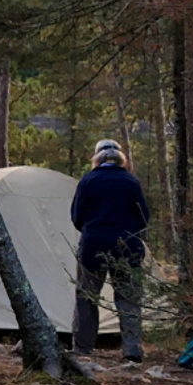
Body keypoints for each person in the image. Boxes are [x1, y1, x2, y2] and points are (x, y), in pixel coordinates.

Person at [70, 138, 149, 361]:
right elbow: (143, 217)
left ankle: (83, 348)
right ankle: (132, 349)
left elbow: (77, 217)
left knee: (87, 297)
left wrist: (94, 230)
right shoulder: (131, 182)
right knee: (128, 299)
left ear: (97, 157)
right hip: (128, 249)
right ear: (120, 158)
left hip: (93, 248)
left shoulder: (88, 181)